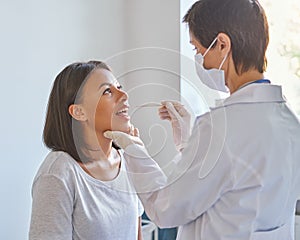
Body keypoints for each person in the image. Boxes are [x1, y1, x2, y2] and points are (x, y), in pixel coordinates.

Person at [104, 0, 300, 239]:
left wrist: (135, 151)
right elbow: (233, 188)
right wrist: (190, 143)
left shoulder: (221, 127)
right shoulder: (290, 123)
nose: (201, 61)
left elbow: (166, 209)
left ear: (222, 44)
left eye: (198, 50)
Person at [29, 61, 144, 240]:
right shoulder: (58, 174)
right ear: (78, 112)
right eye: (108, 91)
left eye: (119, 87)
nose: (124, 95)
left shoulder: (128, 161)